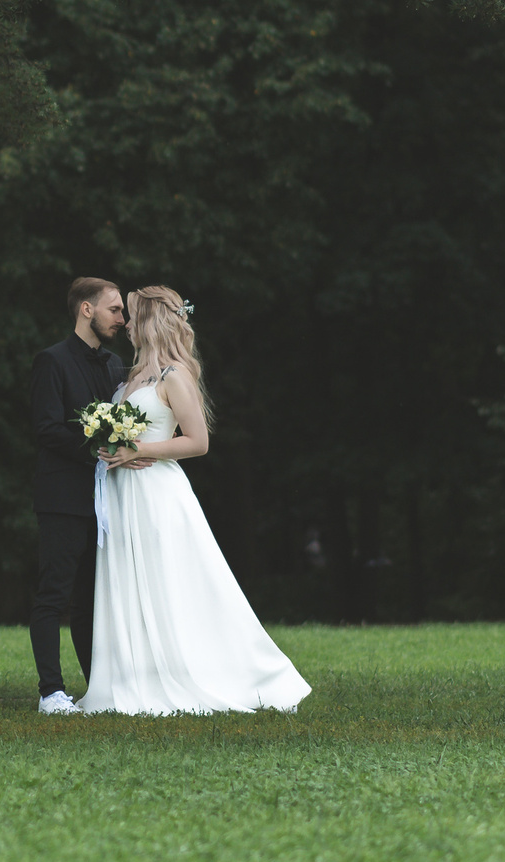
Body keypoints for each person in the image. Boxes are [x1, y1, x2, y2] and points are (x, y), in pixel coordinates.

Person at [79, 285, 310, 716]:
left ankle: (218, 672)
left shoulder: (173, 375)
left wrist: (139, 450)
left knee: (170, 583)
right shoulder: (131, 378)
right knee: (130, 581)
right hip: (123, 495)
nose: (125, 324)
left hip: (157, 494)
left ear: (148, 321)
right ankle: (132, 678)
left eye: (131, 315)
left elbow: (198, 442)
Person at [25, 277, 128, 713]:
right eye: (115, 310)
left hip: (110, 498)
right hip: (63, 496)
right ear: (86, 310)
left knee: (92, 597)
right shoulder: (51, 361)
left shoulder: (116, 363)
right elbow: (45, 429)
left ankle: (95, 690)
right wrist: (96, 449)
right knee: (55, 593)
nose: (122, 319)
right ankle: (51, 692)